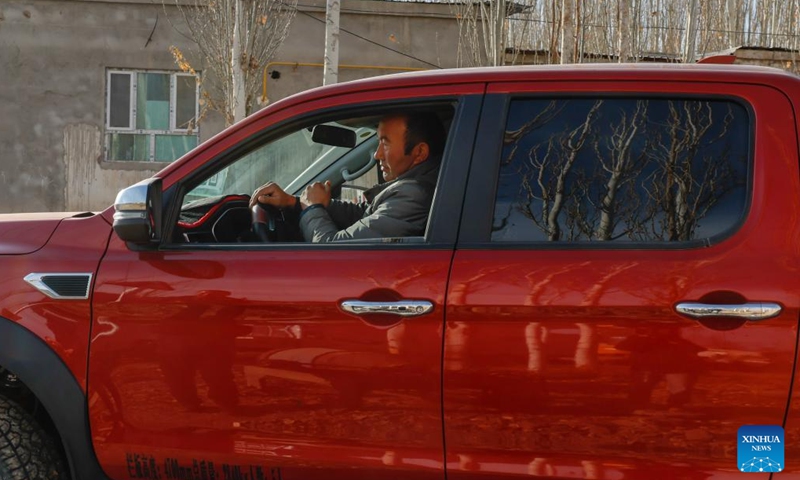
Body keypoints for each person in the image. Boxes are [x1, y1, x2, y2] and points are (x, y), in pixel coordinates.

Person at [249, 112, 446, 242]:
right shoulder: (413, 187)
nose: (377, 154)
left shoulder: (415, 196)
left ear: (419, 153)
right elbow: (366, 217)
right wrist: (294, 202)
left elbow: (333, 250)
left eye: (385, 144)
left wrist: (311, 209)